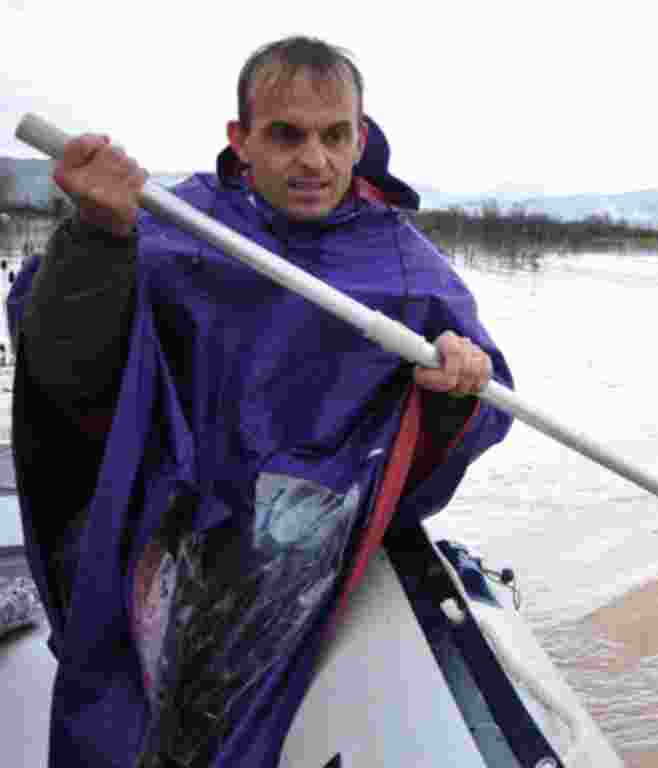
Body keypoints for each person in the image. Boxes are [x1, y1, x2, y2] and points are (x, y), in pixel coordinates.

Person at [6, 36, 513, 767]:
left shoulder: (405, 266)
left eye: (335, 135)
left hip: (294, 538)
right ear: (240, 139)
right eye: (286, 134)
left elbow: (480, 408)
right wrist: (95, 237)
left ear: (360, 137)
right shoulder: (172, 226)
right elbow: (64, 371)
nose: (315, 161)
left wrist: (455, 391)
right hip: (159, 514)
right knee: (116, 709)